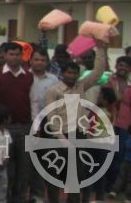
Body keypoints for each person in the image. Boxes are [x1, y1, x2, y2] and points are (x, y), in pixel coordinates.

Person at [43, 39, 108, 203]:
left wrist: (101, 48)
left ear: (78, 74)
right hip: (59, 137)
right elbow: (52, 118)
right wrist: (61, 139)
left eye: (74, 73)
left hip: (78, 135)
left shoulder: (80, 86)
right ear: (63, 73)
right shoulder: (54, 91)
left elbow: (98, 72)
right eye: (69, 73)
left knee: (76, 177)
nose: (72, 76)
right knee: (55, 176)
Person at [0, 42, 34, 202]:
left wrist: (34, 125)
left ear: (22, 56)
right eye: (11, 54)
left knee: (24, 169)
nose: (14, 57)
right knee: (5, 167)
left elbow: (32, 102)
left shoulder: (29, 75)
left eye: (18, 54)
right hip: (3, 129)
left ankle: (19, 199)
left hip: (25, 126)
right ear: (4, 56)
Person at [27, 47, 59, 201]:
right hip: (28, 122)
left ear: (47, 62)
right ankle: (28, 195)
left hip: (48, 123)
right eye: (36, 59)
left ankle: (40, 196)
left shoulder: (53, 80)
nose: (39, 63)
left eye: (43, 60)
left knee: (46, 160)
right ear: (30, 60)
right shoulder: (25, 76)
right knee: (28, 162)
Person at [110, 56, 131, 193]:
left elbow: (122, 100)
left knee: (121, 155)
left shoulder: (130, 84)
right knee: (107, 154)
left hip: (125, 124)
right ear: (116, 66)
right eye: (120, 65)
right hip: (109, 122)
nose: (122, 68)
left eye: (126, 66)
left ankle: (116, 187)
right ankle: (106, 185)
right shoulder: (108, 80)